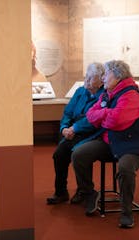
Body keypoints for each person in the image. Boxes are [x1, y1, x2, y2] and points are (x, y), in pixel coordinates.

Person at [71, 60, 139, 228]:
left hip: (133, 146)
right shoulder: (107, 94)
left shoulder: (131, 95)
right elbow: (90, 115)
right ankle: (89, 194)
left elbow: (115, 121)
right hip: (111, 142)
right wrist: (107, 113)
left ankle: (126, 213)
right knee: (79, 154)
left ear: (118, 75)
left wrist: (105, 116)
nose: (103, 77)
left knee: (125, 167)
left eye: (106, 73)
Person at [47, 62, 105, 205]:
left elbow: (94, 120)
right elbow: (68, 112)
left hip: (92, 133)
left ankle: (83, 191)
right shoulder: (80, 91)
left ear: (101, 80)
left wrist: (75, 128)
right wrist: (64, 128)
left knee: (79, 153)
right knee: (59, 155)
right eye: (86, 76)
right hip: (72, 132)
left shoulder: (104, 95)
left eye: (91, 78)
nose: (86, 80)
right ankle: (61, 192)